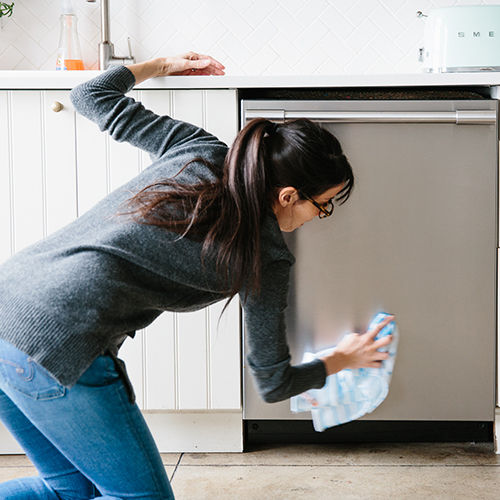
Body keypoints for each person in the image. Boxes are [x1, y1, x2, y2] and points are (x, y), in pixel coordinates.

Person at [0, 52, 394, 499]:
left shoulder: (199, 150)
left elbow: (89, 94)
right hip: (56, 345)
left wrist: (159, 65)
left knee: (69, 491)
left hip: (6, 305)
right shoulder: (264, 254)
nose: (319, 217)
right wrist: (343, 358)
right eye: (322, 205)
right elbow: (274, 382)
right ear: (288, 195)